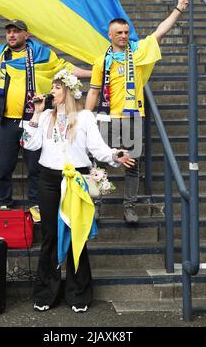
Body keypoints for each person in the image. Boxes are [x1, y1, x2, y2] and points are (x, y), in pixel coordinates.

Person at [0, 0, 91, 220]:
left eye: (16, 31)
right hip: (7, 122)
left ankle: (35, 203)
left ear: (26, 34)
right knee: (4, 166)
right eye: (8, 31)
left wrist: (94, 73)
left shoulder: (42, 54)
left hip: (35, 121)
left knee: (35, 167)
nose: (11, 35)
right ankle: (4, 202)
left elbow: (66, 69)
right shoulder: (0, 53)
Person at [21, 69, 135, 312]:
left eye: (57, 87)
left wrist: (115, 155)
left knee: (76, 236)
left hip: (76, 180)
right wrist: (36, 114)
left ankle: (79, 294)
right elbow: (29, 144)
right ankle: (45, 294)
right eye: (52, 87)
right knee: (50, 235)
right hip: (49, 179)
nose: (52, 91)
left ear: (69, 91)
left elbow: (97, 147)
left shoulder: (84, 117)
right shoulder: (44, 117)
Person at [85, 0, 189, 223]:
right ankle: (97, 205)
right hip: (106, 117)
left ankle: (129, 206)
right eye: (119, 33)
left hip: (133, 117)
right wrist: (85, 115)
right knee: (100, 163)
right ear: (109, 35)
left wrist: (178, 8)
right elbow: (93, 90)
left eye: (126, 32)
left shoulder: (139, 52)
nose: (123, 36)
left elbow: (160, 31)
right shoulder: (101, 61)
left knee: (132, 165)